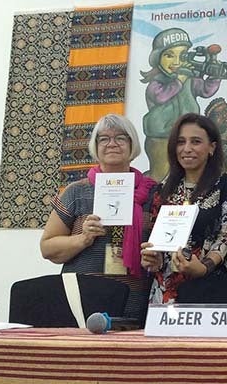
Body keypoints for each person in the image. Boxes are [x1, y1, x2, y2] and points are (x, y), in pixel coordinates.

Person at [40, 114, 156, 323]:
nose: (112, 144)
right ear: (95, 146)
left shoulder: (153, 193)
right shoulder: (76, 192)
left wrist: (156, 257)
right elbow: (47, 248)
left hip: (134, 301)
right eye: (104, 139)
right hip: (81, 301)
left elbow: (165, 246)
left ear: (133, 145)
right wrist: (82, 238)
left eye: (121, 138)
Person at [140, 113, 227, 304]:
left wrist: (204, 267)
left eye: (195, 142)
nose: (187, 149)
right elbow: (154, 241)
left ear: (212, 147)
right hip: (167, 292)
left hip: (216, 287)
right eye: (180, 142)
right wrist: (153, 260)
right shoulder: (160, 191)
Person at [140, 28, 223, 181]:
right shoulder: (156, 82)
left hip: (187, 139)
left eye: (182, 56)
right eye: (169, 55)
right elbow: (161, 96)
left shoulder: (189, 80)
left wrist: (214, 75)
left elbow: (206, 90)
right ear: (157, 58)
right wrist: (179, 80)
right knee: (160, 175)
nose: (176, 62)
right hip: (160, 139)